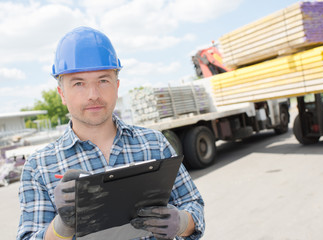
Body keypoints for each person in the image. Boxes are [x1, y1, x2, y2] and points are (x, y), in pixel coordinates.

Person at [17, 26, 205, 240]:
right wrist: (61, 227)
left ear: (117, 85)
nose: (93, 95)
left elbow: (194, 205)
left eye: (103, 80)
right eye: (78, 83)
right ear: (62, 93)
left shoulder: (154, 143)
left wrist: (181, 222)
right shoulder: (39, 167)